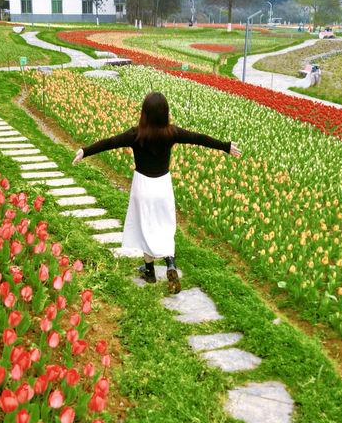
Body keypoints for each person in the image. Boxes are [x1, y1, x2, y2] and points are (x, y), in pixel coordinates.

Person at [72, 92, 241, 293]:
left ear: (144, 114)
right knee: (164, 225)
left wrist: (85, 151)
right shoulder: (172, 133)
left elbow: (110, 142)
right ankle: (170, 263)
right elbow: (199, 138)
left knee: (145, 226)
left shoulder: (136, 134)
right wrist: (225, 146)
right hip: (163, 186)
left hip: (142, 186)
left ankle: (149, 271)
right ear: (165, 114)